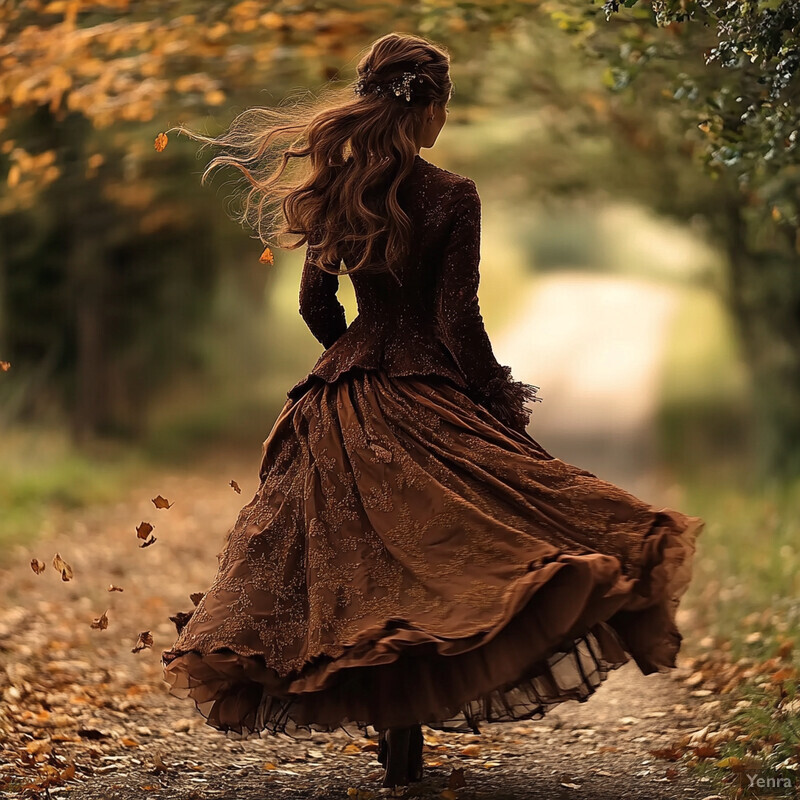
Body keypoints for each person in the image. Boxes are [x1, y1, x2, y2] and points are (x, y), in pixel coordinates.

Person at [160, 32, 703, 789]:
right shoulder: (454, 195)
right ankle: (406, 730)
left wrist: (350, 356)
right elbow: (457, 321)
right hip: (426, 388)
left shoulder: (337, 187)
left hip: (341, 397)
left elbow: (317, 305)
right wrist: (493, 396)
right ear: (433, 109)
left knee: (362, 569)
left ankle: (396, 730)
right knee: (452, 554)